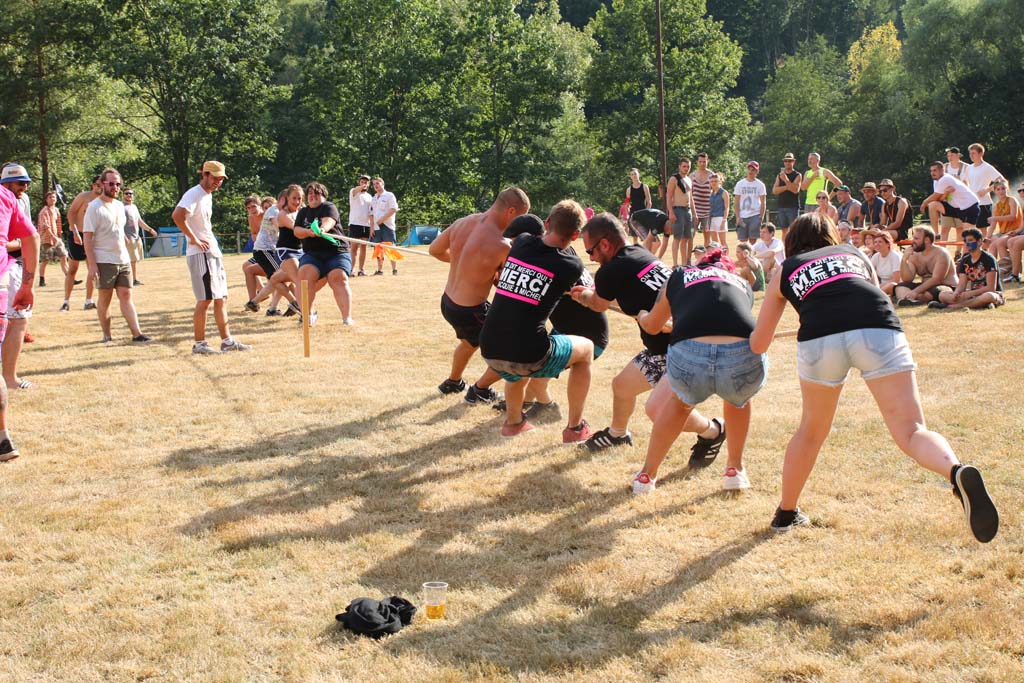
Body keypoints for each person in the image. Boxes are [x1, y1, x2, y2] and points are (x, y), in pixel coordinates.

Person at [749, 213, 998, 542]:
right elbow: (868, 292)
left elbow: (759, 344)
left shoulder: (786, 269)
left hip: (820, 338)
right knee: (912, 430)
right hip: (878, 326)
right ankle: (955, 471)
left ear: (792, 240)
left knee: (810, 431)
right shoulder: (854, 254)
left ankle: (786, 512)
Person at [571, 214, 725, 461]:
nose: (590, 258)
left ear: (605, 244)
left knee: (660, 410)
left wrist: (583, 296)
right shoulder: (641, 254)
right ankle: (617, 434)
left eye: (591, 251)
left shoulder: (610, 271)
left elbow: (598, 304)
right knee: (622, 386)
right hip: (666, 347)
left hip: (684, 349)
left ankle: (713, 430)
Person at [632, 246, 767, 493]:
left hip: (690, 354)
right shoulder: (742, 284)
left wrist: (642, 316)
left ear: (699, 266)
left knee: (679, 404)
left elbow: (652, 326)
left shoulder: (679, 275)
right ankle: (735, 469)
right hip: (740, 354)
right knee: (738, 401)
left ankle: (646, 476)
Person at [480, 201, 594, 441]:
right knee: (587, 349)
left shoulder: (521, 243)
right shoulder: (571, 265)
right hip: (529, 355)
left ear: (548, 223)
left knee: (517, 350)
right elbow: (580, 290)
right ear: (575, 235)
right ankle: (575, 429)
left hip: (489, 347)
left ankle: (513, 423)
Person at [430, 188, 530, 403]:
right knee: (513, 349)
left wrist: (463, 261)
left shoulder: (462, 222)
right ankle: (480, 391)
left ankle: (453, 382)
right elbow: (504, 284)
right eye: (521, 218)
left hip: (448, 302)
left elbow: (435, 250)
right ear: (511, 211)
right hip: (470, 310)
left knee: (470, 342)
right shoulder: (502, 245)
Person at [171, 161, 251, 355]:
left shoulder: (208, 195)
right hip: (200, 254)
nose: (218, 182)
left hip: (213, 252)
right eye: (215, 177)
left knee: (221, 298)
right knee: (205, 299)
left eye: (221, 179)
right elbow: (177, 216)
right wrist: (194, 239)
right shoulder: (193, 194)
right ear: (204, 174)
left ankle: (227, 341)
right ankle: (200, 344)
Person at [82, 168, 151, 343]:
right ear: (102, 184)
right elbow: (87, 238)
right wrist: (92, 265)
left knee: (126, 295)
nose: (115, 187)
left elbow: (118, 228)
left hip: (123, 259)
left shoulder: (120, 206)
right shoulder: (94, 208)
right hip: (104, 259)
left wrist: (125, 239)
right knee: (105, 298)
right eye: (111, 184)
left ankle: (137, 334)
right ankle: (107, 335)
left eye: (118, 184)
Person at [0, 171, 38, 460]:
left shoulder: (9, 198)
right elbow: (30, 237)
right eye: (19, 182)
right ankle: (3, 439)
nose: (23, 187)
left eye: (26, 182)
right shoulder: (5, 197)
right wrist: (28, 285)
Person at [292, 182, 354, 325]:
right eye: (310, 194)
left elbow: (329, 221)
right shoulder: (303, 212)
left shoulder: (329, 207)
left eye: (317, 193)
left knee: (338, 277)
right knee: (304, 276)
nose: (313, 196)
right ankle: (308, 316)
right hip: (313, 254)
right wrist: (309, 232)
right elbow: (297, 231)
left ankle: (347, 318)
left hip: (336, 252)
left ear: (324, 196)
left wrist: (322, 229)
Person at [929, 228, 1004, 311]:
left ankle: (953, 306)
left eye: (970, 240)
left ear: (979, 241)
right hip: (973, 294)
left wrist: (969, 294)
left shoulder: (989, 259)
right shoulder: (965, 260)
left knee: (989, 296)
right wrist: (957, 293)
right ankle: (980, 304)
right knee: (942, 295)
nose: (967, 244)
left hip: (991, 293)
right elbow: (961, 285)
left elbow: (991, 288)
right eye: (965, 241)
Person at [268, 184, 307, 321]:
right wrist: (311, 231)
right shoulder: (283, 214)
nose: (297, 202)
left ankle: (294, 302)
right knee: (299, 280)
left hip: (300, 251)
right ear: (287, 199)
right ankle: (306, 313)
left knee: (275, 280)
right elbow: (296, 228)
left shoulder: (301, 212)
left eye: (299, 199)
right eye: (294, 198)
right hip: (285, 252)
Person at [893, 226, 957, 306]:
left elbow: (937, 280)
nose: (913, 241)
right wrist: (904, 260)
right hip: (924, 287)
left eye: (916, 239)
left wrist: (915, 291)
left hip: (945, 286)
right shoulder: (914, 254)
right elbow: (907, 279)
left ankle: (913, 298)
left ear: (927, 240)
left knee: (930, 293)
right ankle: (910, 300)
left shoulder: (941, 254)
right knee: (900, 287)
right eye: (913, 238)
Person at [62, 175, 100, 311]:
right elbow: (71, 213)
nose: (100, 187)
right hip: (78, 234)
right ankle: (66, 302)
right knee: (73, 269)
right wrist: (75, 231)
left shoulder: (103, 200)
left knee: (92, 269)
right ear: (92, 185)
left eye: (102, 185)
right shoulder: (83, 197)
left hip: (93, 236)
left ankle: (89, 301)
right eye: (97, 184)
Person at [920, 161, 981, 233]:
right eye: (931, 171)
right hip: (956, 208)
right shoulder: (936, 181)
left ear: (942, 170)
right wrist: (946, 193)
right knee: (932, 205)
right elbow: (938, 199)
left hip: (970, 206)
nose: (932, 173)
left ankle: (981, 239)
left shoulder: (945, 179)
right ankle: (935, 234)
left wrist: (924, 203)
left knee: (968, 233)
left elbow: (935, 196)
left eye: (935, 170)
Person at [965, 143, 1005, 234]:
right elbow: (966, 182)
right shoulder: (969, 168)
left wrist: (986, 190)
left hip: (983, 203)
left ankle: (987, 243)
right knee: (969, 228)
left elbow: (1001, 180)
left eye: (973, 153)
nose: (971, 155)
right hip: (971, 203)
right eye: (970, 153)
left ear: (980, 154)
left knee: (983, 230)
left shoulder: (987, 167)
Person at [933, 146, 971, 240]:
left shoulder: (966, 167)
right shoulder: (944, 167)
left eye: (952, 155)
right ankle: (942, 247)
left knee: (960, 228)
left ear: (958, 155)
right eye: (948, 156)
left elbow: (969, 184)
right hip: (947, 200)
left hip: (960, 202)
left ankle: (959, 249)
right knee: (945, 228)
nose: (950, 158)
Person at [122, 187, 158, 286]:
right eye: (126, 193)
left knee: (136, 259)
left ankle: (132, 278)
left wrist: (150, 230)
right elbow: (118, 223)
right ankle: (132, 279)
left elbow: (139, 221)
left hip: (136, 237)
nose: (129, 195)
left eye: (131, 193)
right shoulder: (121, 207)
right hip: (128, 237)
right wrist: (124, 236)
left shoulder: (134, 207)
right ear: (123, 195)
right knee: (132, 260)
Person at [666, 158, 695, 266]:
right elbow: (668, 196)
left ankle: (684, 264)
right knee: (677, 238)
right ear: (679, 166)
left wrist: (694, 213)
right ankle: (675, 264)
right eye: (684, 166)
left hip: (688, 210)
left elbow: (691, 198)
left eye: (688, 167)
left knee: (686, 238)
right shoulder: (674, 179)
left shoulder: (689, 179)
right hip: (677, 210)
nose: (686, 168)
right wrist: (671, 212)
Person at [369, 177, 400, 275]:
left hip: (387, 226)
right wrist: (372, 227)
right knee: (378, 249)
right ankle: (379, 270)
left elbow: (393, 209)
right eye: (374, 184)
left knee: (390, 247)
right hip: (376, 227)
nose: (376, 185)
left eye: (378, 183)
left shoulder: (389, 195)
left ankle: (394, 269)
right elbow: (371, 214)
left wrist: (382, 219)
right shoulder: (373, 198)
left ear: (383, 184)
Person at [37, 190, 68, 286]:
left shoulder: (56, 210)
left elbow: (58, 223)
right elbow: (45, 226)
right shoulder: (44, 211)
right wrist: (52, 236)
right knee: (45, 260)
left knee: (63, 256)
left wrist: (59, 234)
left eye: (54, 197)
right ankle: (41, 280)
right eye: (50, 197)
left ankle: (69, 277)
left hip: (56, 238)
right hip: (47, 239)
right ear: (46, 200)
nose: (52, 199)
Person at [733, 161, 767, 245]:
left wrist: (761, 217)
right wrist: (737, 216)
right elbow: (736, 201)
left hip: (755, 215)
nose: (750, 171)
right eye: (749, 169)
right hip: (742, 215)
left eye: (753, 170)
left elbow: (763, 202)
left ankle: (752, 253)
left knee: (753, 240)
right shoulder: (740, 184)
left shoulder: (760, 185)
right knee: (742, 240)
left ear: (757, 171)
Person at [772, 153, 802, 237]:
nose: (787, 162)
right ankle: (784, 245)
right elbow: (774, 191)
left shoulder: (797, 175)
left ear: (793, 162)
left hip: (793, 207)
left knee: (794, 230)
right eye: (786, 161)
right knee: (784, 231)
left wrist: (785, 180)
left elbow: (795, 190)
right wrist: (787, 187)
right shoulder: (779, 175)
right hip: (781, 206)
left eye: (790, 161)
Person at [348, 175, 373, 276]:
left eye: (366, 182)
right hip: (355, 224)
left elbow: (371, 212)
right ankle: (351, 270)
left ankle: (361, 270)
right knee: (353, 248)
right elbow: (355, 190)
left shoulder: (369, 197)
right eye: (362, 182)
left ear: (369, 184)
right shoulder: (354, 192)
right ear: (359, 183)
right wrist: (362, 187)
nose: (364, 184)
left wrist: (372, 226)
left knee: (364, 247)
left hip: (366, 225)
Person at [690, 153, 714, 247]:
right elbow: (689, 194)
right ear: (697, 162)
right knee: (690, 235)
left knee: (707, 236)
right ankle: (687, 255)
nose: (702, 164)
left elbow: (715, 192)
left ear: (708, 162)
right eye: (700, 162)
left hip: (707, 211)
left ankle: (707, 255)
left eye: (704, 162)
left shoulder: (712, 176)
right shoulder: (692, 176)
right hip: (694, 211)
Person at [625, 168, 652, 245]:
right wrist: (628, 214)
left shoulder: (645, 187)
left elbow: (649, 202)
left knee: (646, 236)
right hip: (634, 215)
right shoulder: (629, 190)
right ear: (630, 176)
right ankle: (636, 251)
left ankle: (646, 251)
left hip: (643, 214)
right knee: (635, 237)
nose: (634, 176)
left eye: (635, 174)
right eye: (632, 174)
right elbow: (627, 204)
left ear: (639, 174)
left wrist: (646, 213)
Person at [870, 231, 902, 296]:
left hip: (895, 286)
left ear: (888, 244)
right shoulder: (875, 256)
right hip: (881, 285)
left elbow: (896, 280)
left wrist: (878, 286)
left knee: (892, 285)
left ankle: (874, 295)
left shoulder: (895, 256)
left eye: (880, 242)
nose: (877, 244)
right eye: (875, 242)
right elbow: (870, 273)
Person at [707, 172, 730, 249]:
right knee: (714, 242)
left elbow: (727, 207)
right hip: (712, 219)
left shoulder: (724, 192)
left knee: (723, 241)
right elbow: (710, 208)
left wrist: (724, 220)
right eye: (712, 181)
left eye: (716, 181)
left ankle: (725, 256)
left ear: (720, 181)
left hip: (721, 218)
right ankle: (717, 255)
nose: (713, 183)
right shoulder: (711, 193)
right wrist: (708, 222)